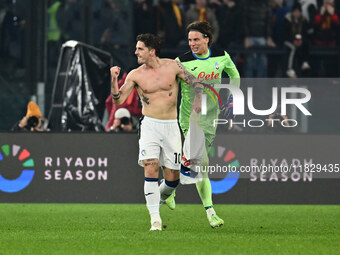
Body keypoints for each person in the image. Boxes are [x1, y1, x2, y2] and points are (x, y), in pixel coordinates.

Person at [110, 33, 203, 231]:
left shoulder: (173, 66)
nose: (136, 52)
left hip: (171, 126)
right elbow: (118, 101)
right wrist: (114, 80)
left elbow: (195, 82)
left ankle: (157, 200)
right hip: (149, 125)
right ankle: (155, 220)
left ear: (152, 51)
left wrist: (197, 99)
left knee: (172, 180)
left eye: (140, 48)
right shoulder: (135, 74)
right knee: (150, 167)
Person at [171, 21, 240, 228]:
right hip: (189, 118)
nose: (192, 43)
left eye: (196, 39)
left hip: (211, 119)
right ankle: (210, 212)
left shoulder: (221, 56)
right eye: (190, 40)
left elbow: (234, 75)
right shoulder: (181, 62)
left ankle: (168, 188)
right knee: (202, 163)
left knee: (194, 163)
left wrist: (231, 99)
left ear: (207, 39)